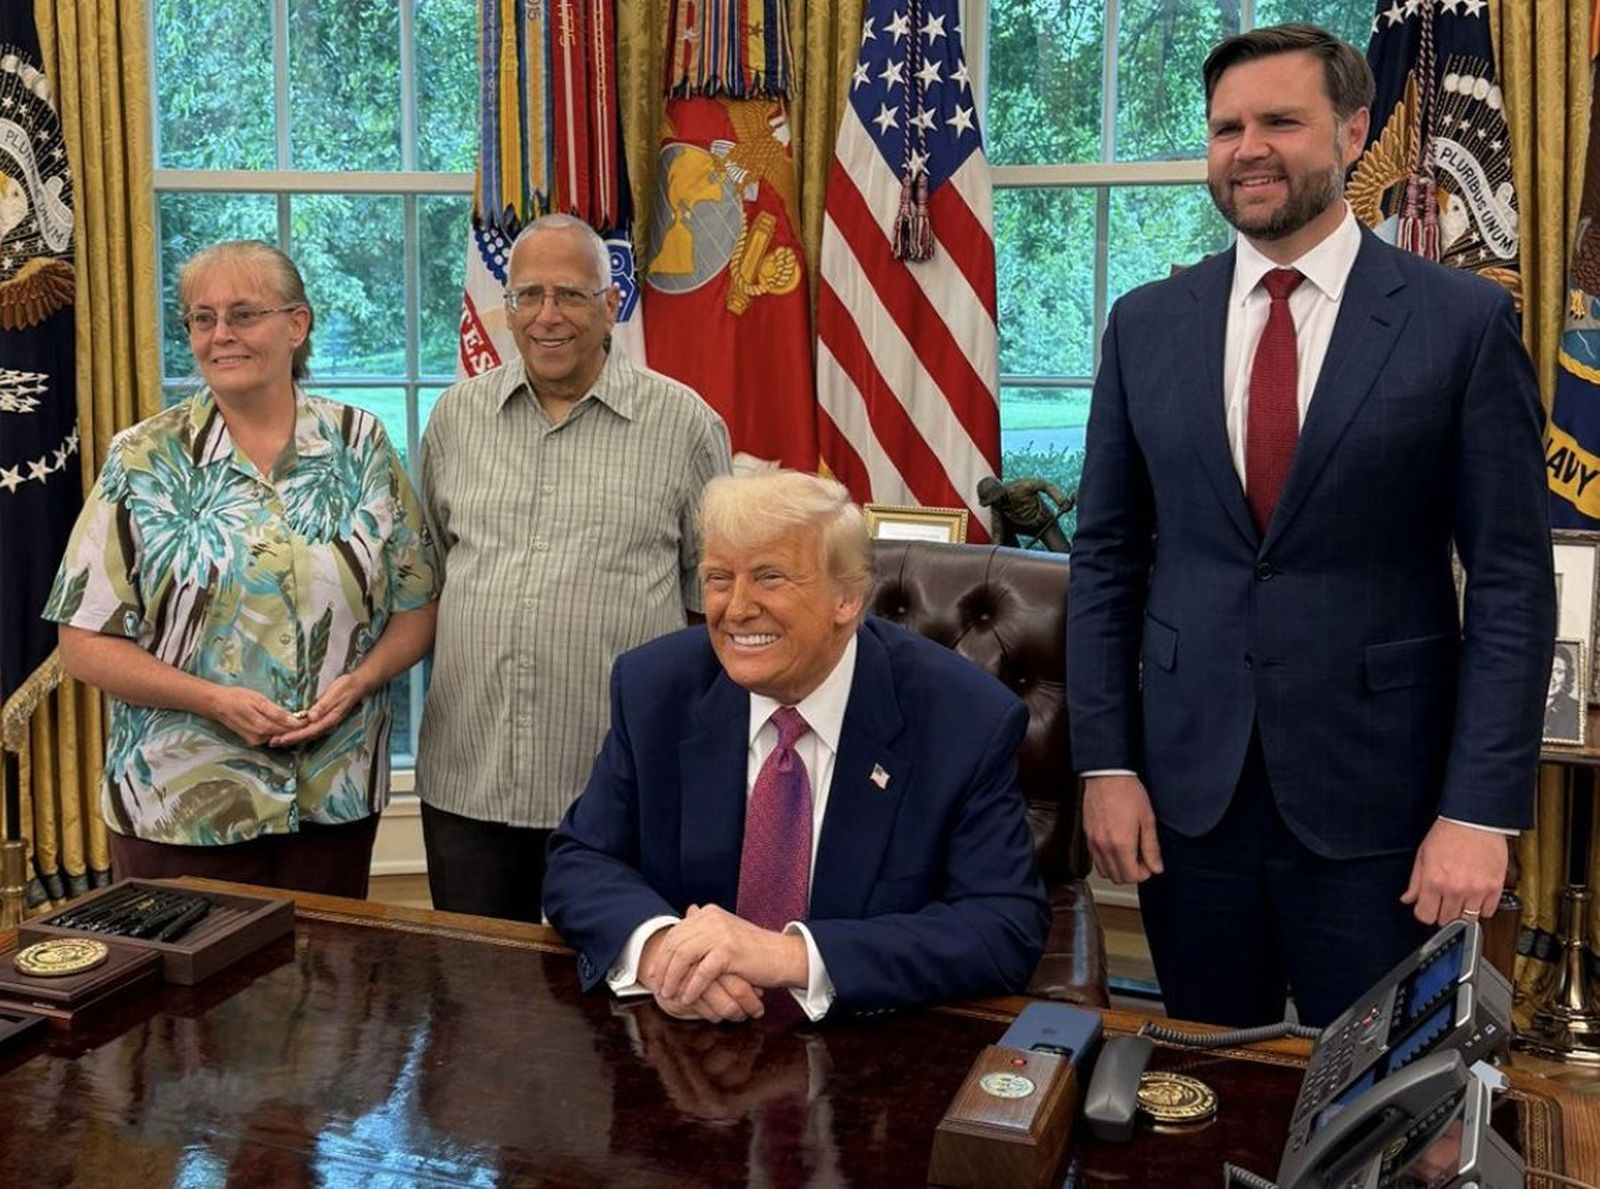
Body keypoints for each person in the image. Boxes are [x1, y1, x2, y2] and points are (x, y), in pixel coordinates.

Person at [1066, 25, 1554, 1029]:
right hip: (1187, 800)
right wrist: (1105, 763)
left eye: (1280, 122)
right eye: (1226, 128)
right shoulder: (1145, 324)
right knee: (1203, 1077)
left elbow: (1511, 580)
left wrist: (1478, 809)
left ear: (1352, 132)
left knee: (1379, 1091)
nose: (1248, 149)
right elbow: (1106, 558)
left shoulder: (1458, 323)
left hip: (1383, 804)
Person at [543, 471, 1050, 1022]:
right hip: (685, 1035)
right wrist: (665, 951)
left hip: (869, 1043)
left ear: (847, 599)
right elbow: (581, 860)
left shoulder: (962, 718)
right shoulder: (656, 688)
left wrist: (789, 957)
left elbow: (1002, 926)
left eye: (770, 578)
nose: (737, 609)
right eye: (718, 578)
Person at [45, 240, 439, 896]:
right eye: (202, 318)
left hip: (332, 799)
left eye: (243, 314)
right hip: (179, 807)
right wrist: (214, 701)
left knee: (329, 966)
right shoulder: (142, 458)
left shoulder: (361, 444)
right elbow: (83, 642)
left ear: (297, 324)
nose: (220, 334)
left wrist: (361, 681)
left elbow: (416, 605)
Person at [417, 213, 731, 923]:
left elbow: (710, 606)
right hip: (470, 777)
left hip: (619, 785)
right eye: (528, 295)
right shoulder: (456, 419)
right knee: (474, 980)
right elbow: (431, 571)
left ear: (611, 304)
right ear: (507, 307)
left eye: (570, 295)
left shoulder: (683, 425)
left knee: (615, 983)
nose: (547, 315)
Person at [1544, 645, 1583, 743]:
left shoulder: (1576, 710)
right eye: (1546, 669)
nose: (1551, 678)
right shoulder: (1522, 705)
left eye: (1559, 672)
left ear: (1567, 676)